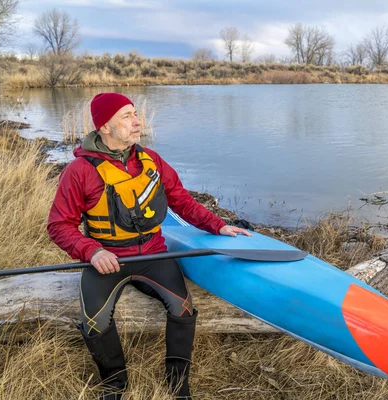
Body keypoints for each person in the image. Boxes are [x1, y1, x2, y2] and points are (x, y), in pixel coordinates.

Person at [47, 92, 251, 399]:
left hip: (154, 254)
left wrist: (218, 225)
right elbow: (59, 225)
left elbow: (181, 199)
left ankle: (177, 386)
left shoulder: (150, 161)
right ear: (104, 126)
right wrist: (92, 251)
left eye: (135, 114)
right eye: (126, 116)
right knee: (94, 322)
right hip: (107, 261)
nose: (137, 121)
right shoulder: (80, 171)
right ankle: (115, 386)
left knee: (183, 309)